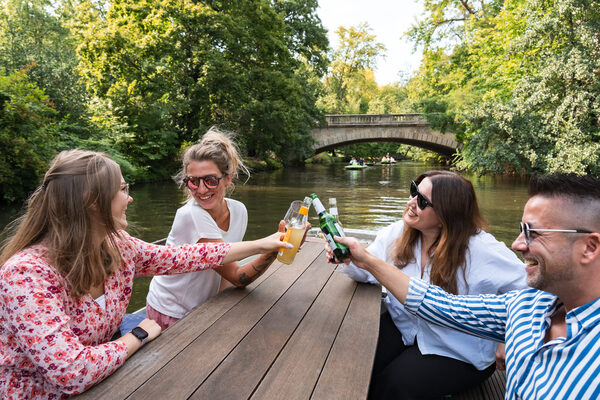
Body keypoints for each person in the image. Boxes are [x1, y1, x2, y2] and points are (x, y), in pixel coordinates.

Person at [0, 149, 290, 399]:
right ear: (92, 202)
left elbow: (186, 256)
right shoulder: (26, 274)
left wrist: (264, 243)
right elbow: (71, 372)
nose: (130, 199)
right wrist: (137, 334)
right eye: (123, 190)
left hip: (104, 384)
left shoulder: (118, 248)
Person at [332, 173, 600, 399]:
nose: (412, 202)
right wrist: (356, 259)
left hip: (456, 349)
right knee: (356, 362)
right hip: (409, 329)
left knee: (391, 387)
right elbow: (441, 306)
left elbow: (529, 284)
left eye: (423, 201)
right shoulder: (397, 233)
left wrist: (508, 337)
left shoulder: (483, 251)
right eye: (414, 191)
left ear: (446, 214)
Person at [146, 128, 298, 330]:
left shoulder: (239, 210)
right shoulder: (191, 215)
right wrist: (270, 247)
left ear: (227, 178)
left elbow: (228, 278)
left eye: (210, 180)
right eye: (193, 181)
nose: (201, 190)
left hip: (202, 306)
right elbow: (237, 276)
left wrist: (222, 312)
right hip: (171, 312)